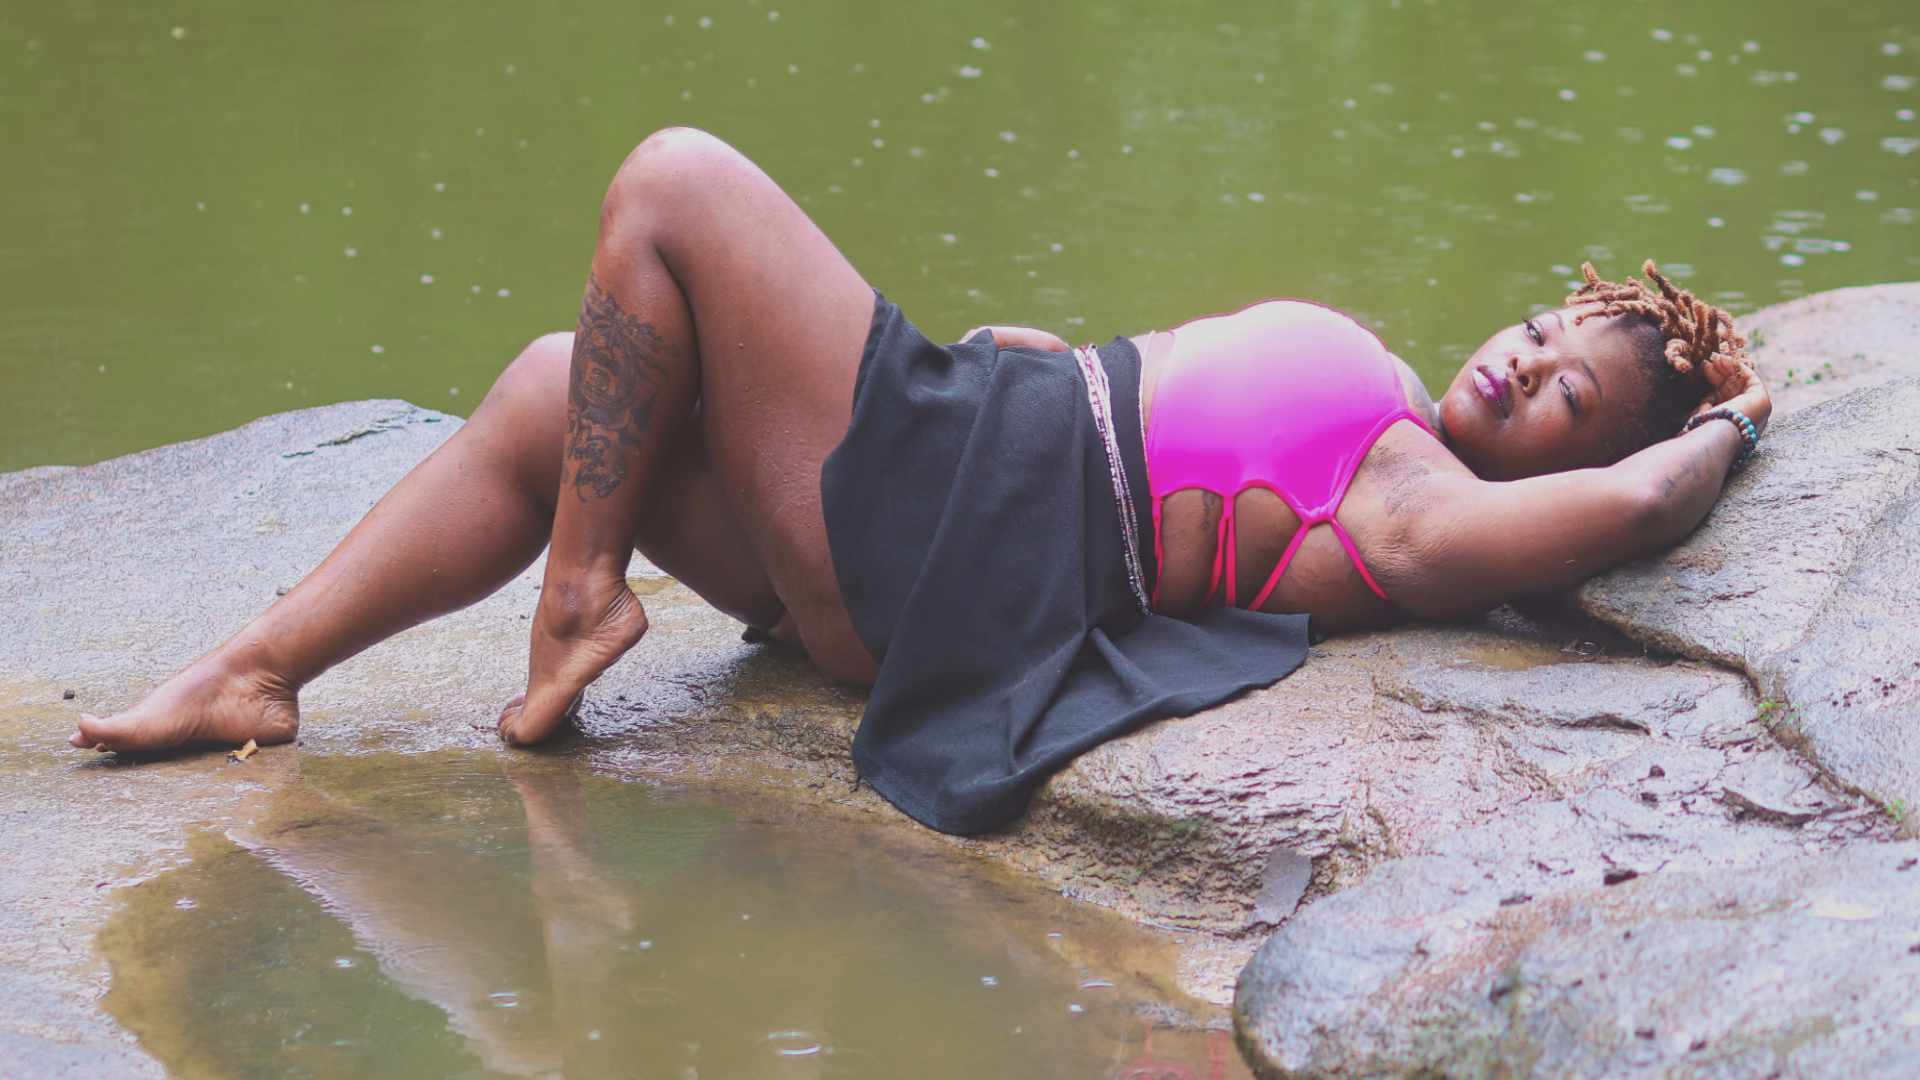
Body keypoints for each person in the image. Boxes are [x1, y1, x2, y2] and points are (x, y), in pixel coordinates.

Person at [70, 128, 1770, 834]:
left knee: (675, 181)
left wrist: (1734, 423)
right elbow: (1178, 415)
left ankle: (581, 598)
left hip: (960, 534)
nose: (1524, 363)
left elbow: (1638, 514)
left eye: (1566, 396)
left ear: (1588, 456)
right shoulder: (1392, 401)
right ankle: (257, 673)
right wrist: (1053, 361)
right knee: (555, 388)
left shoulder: (1430, 515)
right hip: (971, 472)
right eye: (1543, 328)